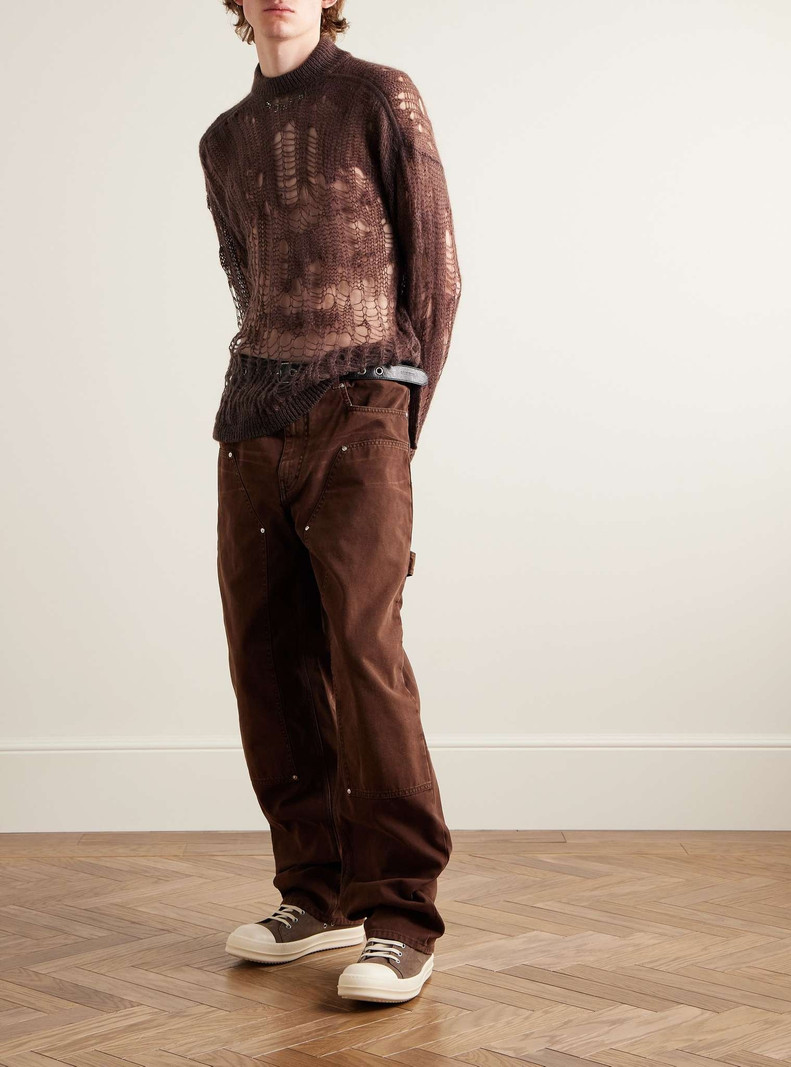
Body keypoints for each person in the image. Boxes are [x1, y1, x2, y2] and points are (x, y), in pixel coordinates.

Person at [198, 0, 462, 1005]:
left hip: (362, 407)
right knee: (265, 656)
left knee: (363, 650)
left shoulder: (379, 97)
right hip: (250, 424)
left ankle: (399, 910)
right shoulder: (223, 141)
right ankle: (314, 891)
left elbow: (436, 273)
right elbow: (246, 280)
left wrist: (398, 419)